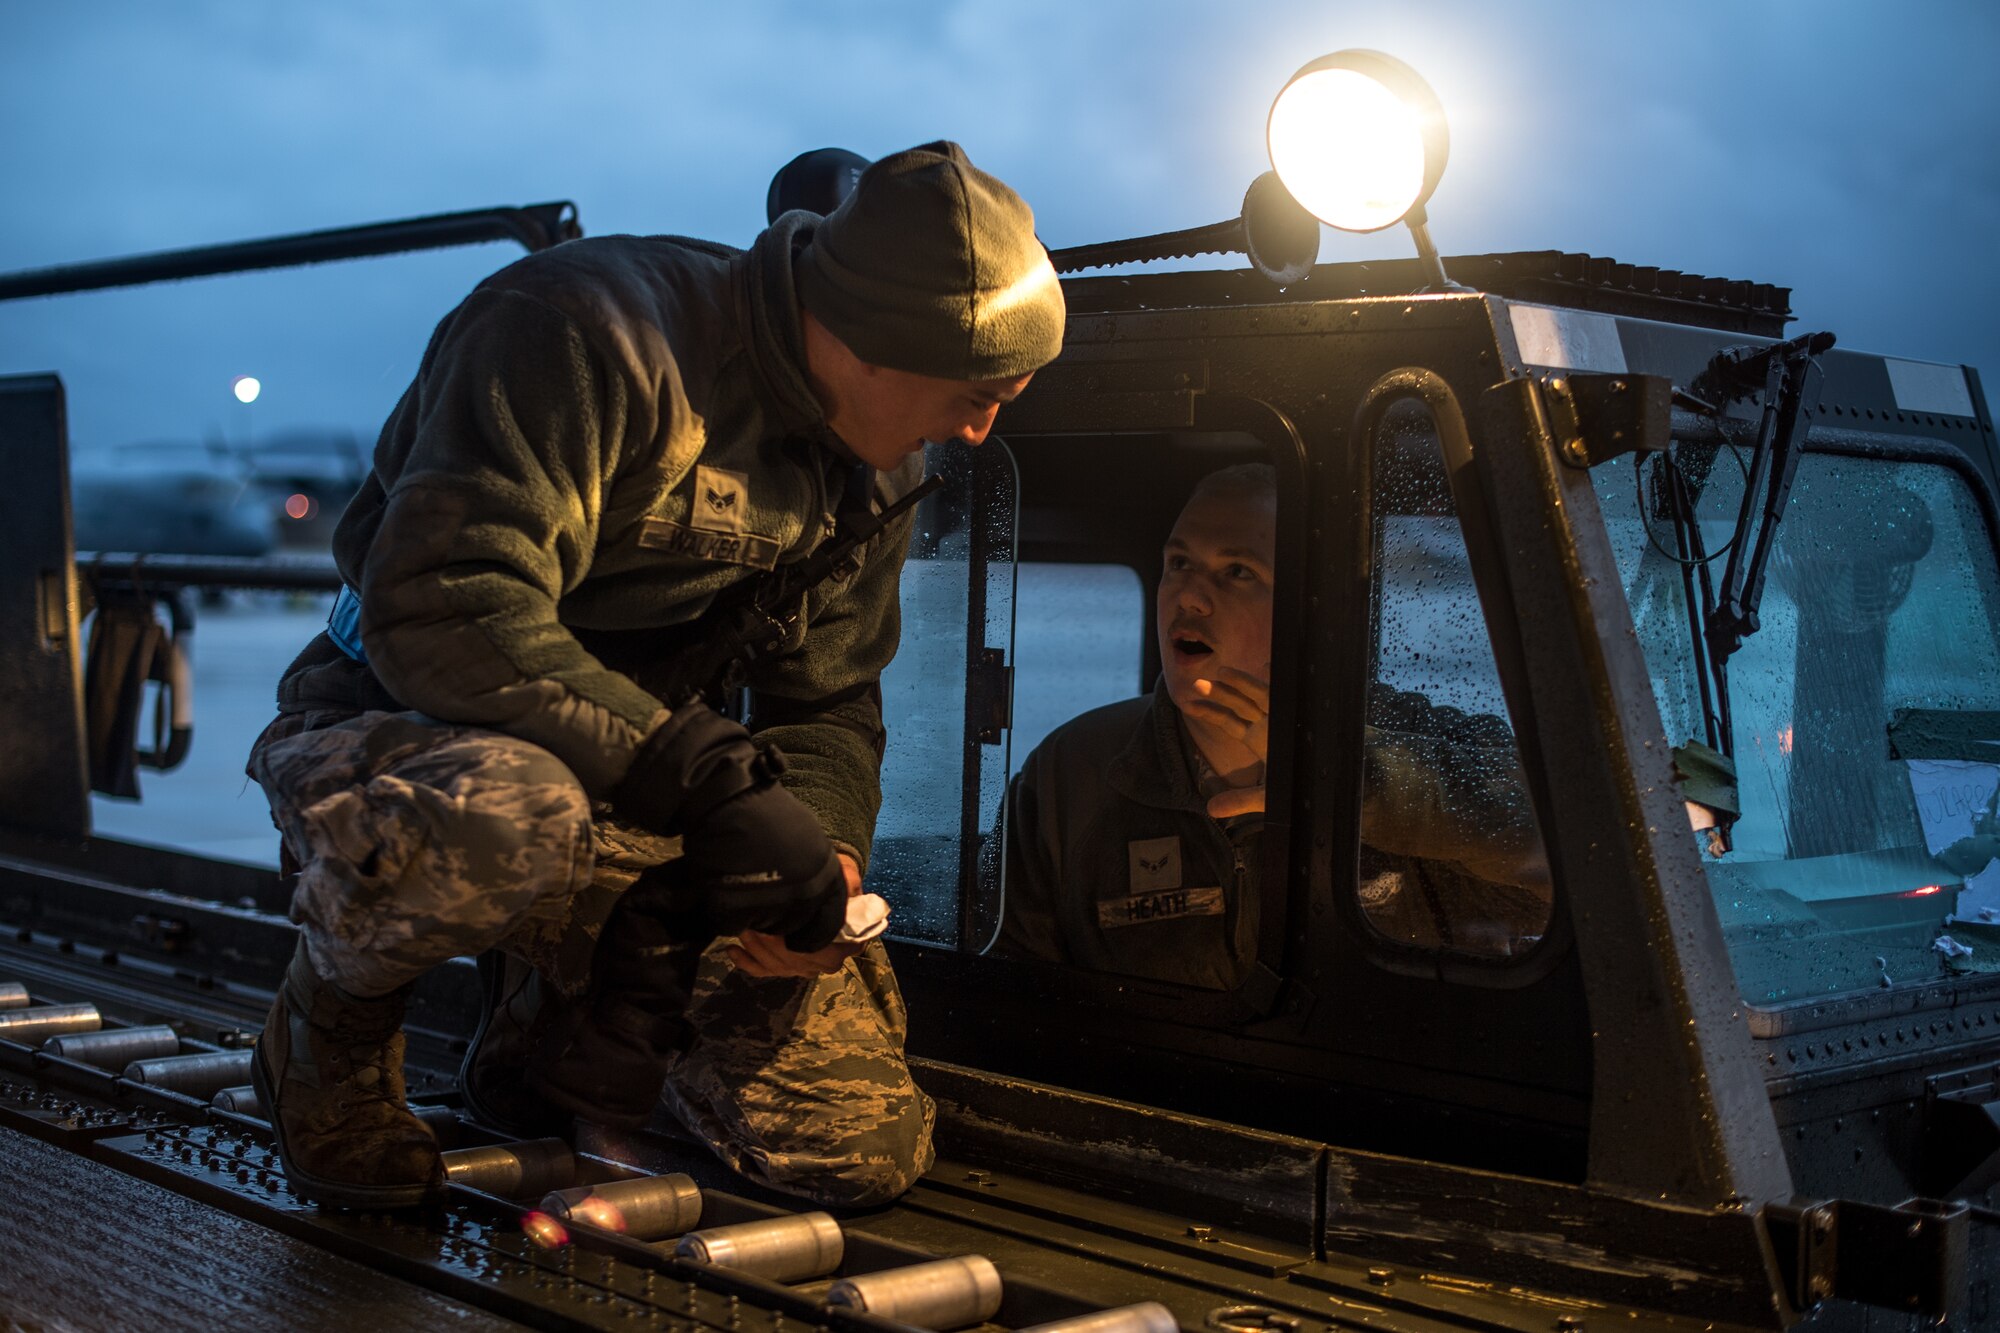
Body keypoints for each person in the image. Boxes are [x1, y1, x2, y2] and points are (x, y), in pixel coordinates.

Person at [246, 141, 1066, 1210]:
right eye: (976, 393)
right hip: (393, 731)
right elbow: (442, 605)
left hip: (635, 776)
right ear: (873, 342)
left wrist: (817, 852)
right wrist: (710, 781)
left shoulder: (877, 468)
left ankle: (539, 1028)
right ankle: (324, 1037)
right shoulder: (585, 337)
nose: (975, 428)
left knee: (853, 1144)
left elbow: (822, 698)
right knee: (506, 814)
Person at [995, 464, 1548, 987]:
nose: (1188, 596)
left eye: (1238, 571)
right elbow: (1013, 990)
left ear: (1314, 605)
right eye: (1178, 564)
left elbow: (1558, 846)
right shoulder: (1074, 769)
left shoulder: (1411, 735)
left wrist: (1350, 782)